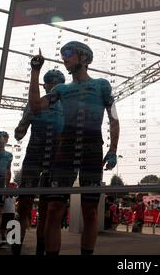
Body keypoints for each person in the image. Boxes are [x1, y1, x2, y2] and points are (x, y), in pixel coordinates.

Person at [28, 41, 120, 255]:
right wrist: (35, 71)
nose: (64, 57)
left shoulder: (102, 85)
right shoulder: (61, 89)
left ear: (85, 58)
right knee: (53, 209)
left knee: (89, 211)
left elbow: (113, 118)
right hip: (66, 148)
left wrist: (113, 149)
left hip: (92, 148)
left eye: (68, 53)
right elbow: (35, 107)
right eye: (62, 54)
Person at [12, 69, 65, 255]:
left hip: (54, 160)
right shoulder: (34, 104)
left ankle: (40, 251)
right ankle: (15, 248)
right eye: (51, 84)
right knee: (24, 205)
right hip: (34, 156)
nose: (55, 87)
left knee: (47, 208)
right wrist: (23, 123)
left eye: (59, 84)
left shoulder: (67, 105)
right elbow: (19, 133)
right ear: (45, 86)